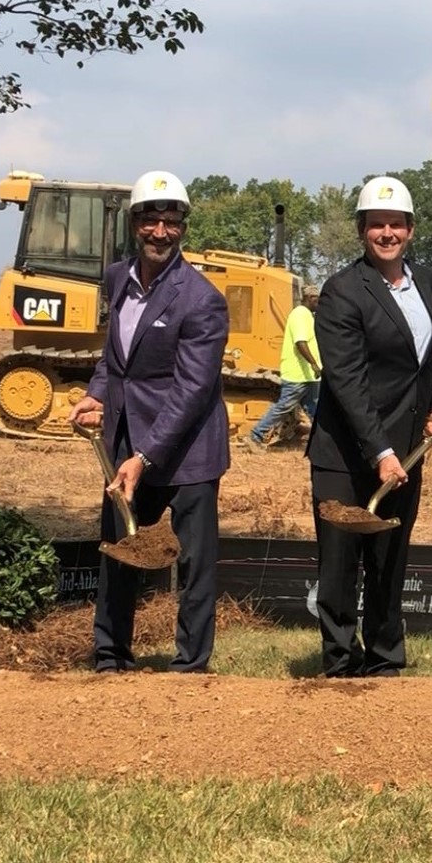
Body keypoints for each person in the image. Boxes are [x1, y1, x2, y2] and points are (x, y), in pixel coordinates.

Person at [69, 169, 231, 673]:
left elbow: (192, 389)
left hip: (188, 450)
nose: (161, 232)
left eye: (171, 221)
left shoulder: (202, 299)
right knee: (119, 550)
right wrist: (97, 395)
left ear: (183, 226)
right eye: (150, 220)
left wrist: (145, 456)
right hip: (124, 440)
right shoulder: (118, 278)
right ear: (134, 223)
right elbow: (115, 358)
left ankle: (189, 666)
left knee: (193, 561)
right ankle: (111, 656)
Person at [307, 176, 432, 678]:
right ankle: (341, 663)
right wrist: (380, 451)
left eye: (396, 224)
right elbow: (346, 382)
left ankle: (386, 660)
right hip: (346, 451)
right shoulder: (342, 291)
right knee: (341, 563)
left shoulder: (430, 283)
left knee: (390, 558)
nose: (387, 233)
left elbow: (429, 361)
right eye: (376, 225)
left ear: (410, 229)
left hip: (406, 450)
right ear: (362, 230)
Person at [242, 286, 322, 452]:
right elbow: (300, 342)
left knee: (314, 408)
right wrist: (313, 364)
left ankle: (324, 441)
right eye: (316, 299)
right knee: (284, 406)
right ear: (309, 298)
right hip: (298, 373)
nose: (319, 302)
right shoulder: (300, 314)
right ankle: (255, 436)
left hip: (307, 375)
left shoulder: (307, 315)